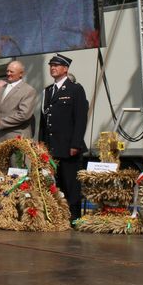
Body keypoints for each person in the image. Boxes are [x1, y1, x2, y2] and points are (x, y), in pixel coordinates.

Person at [39, 54, 89, 222]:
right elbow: (44, 121)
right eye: (51, 65)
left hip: (68, 147)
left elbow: (80, 119)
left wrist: (75, 143)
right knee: (55, 184)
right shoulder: (47, 91)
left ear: (66, 69)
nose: (53, 68)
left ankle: (74, 217)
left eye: (57, 65)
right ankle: (58, 216)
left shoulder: (75, 89)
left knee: (71, 185)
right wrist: (41, 145)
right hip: (52, 147)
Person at [0, 61, 37, 141]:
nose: (8, 73)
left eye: (11, 71)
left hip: (17, 137)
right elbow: (1, 110)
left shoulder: (28, 90)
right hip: (0, 137)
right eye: (7, 71)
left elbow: (23, 115)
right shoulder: (3, 88)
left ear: (21, 74)